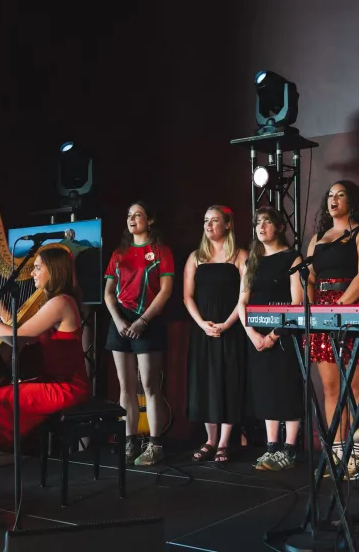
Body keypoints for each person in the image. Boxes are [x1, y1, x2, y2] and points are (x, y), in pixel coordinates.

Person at [0, 247, 91, 501]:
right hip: (53, 383)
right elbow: (26, 339)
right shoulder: (57, 302)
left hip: (66, 387)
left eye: (38, 267)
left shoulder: (60, 302)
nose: (33, 273)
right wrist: (3, 315)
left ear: (54, 271)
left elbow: (17, 338)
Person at [306, 180, 359, 479]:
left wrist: (338, 307)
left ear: (353, 201)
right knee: (330, 387)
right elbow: (309, 278)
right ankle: (336, 452)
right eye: (330, 195)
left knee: (355, 388)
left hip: (350, 308)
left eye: (340, 195)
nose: (333, 199)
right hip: (322, 311)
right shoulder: (319, 238)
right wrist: (313, 311)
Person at [104, 201, 174, 466]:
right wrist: (118, 319)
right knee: (126, 387)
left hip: (149, 320)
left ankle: (155, 444)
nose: (132, 219)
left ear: (150, 220)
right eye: (129, 215)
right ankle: (130, 440)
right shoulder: (119, 253)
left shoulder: (160, 251)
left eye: (138, 215)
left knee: (149, 386)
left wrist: (143, 320)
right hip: (120, 321)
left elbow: (166, 291)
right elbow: (108, 293)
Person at [237, 207, 303, 471]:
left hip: (283, 334)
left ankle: (289, 449)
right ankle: (271, 447)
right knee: (265, 390)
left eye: (266, 222)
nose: (261, 227)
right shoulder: (251, 261)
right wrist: (252, 333)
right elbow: (242, 301)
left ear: (279, 227)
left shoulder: (292, 258)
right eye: (257, 223)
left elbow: (296, 301)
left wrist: (275, 335)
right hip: (256, 335)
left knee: (287, 388)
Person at [185, 206, 248, 463]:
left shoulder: (240, 256)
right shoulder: (196, 257)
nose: (208, 226)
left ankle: (224, 442)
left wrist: (226, 324)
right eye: (205, 221)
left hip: (231, 329)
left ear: (228, 224)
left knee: (228, 382)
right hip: (203, 330)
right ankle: (210, 440)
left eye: (214, 221)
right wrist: (202, 324)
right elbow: (187, 296)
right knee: (205, 383)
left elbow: (245, 296)